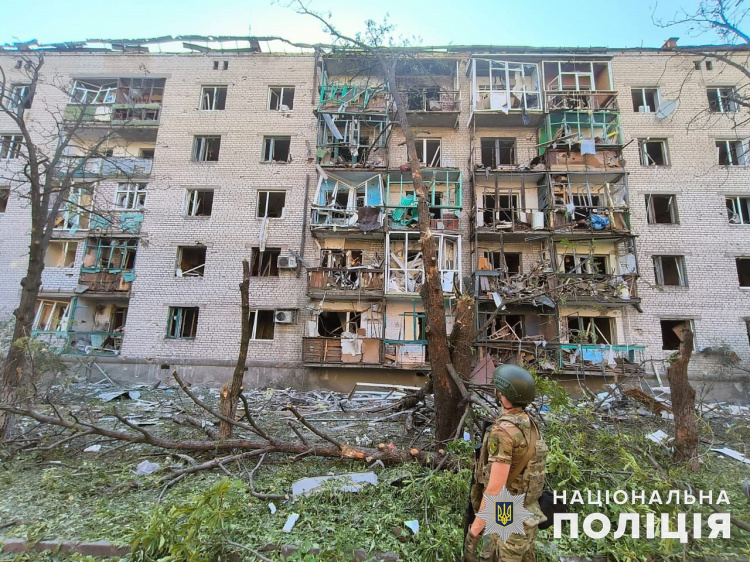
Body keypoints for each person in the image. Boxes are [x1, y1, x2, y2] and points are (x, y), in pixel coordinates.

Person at [464, 365, 548, 562]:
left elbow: (496, 487)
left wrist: (475, 529)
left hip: (507, 511)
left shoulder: (503, 431)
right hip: (529, 510)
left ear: (501, 393)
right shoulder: (530, 424)